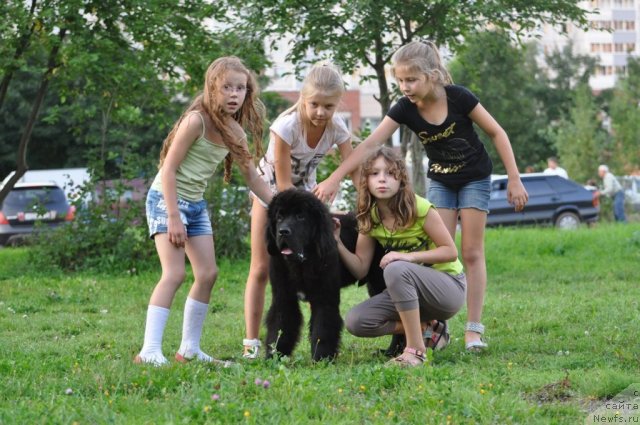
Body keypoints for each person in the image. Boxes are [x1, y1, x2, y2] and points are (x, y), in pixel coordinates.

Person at [314, 40, 528, 352]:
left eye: (411, 80)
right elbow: (371, 144)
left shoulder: (459, 97)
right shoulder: (404, 108)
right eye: (400, 81)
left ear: (432, 75)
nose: (405, 87)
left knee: (469, 252)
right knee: (435, 247)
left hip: (475, 178)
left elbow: (497, 132)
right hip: (441, 179)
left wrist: (514, 178)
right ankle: (436, 323)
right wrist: (335, 177)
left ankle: (473, 330)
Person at [134, 56, 273, 366]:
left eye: (241, 88)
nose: (235, 94)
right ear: (212, 87)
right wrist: (172, 216)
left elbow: (252, 176)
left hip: (195, 204)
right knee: (174, 273)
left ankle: (189, 350)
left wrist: (278, 204)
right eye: (227, 87)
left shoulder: (235, 131)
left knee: (208, 274)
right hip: (166, 200)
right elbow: (167, 170)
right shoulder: (196, 120)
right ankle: (149, 351)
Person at [241, 62, 360, 359]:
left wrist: (339, 183)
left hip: (306, 195)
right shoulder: (286, 126)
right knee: (261, 267)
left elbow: (353, 165)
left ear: (337, 104)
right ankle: (252, 342)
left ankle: (320, 337)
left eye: (328, 106)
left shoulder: (336, 127)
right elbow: (282, 187)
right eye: (315, 104)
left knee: (316, 262)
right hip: (272, 194)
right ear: (303, 99)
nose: (321, 112)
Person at [334, 147, 465, 366]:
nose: (382, 179)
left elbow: (450, 252)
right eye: (374, 173)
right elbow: (360, 269)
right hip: (408, 295)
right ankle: (428, 329)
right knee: (356, 321)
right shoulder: (370, 217)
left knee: (395, 267)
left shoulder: (419, 208)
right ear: (366, 180)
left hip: (448, 289)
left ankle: (415, 351)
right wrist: (336, 241)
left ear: (401, 178)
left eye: (390, 173)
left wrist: (407, 257)